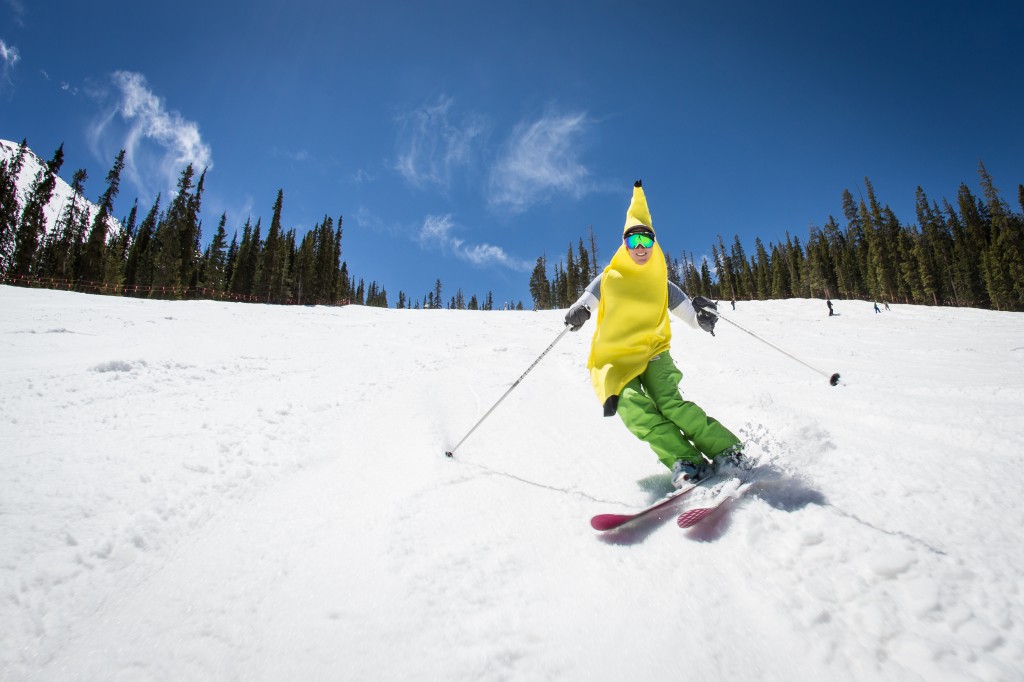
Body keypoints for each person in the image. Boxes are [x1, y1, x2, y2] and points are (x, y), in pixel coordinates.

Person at [564, 180, 743, 488]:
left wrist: (706, 319)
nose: (641, 249)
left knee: (669, 403)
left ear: (654, 244)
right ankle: (685, 459)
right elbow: (584, 305)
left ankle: (727, 450)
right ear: (625, 245)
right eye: (634, 242)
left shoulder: (662, 283)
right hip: (617, 358)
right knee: (632, 408)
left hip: (654, 352)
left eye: (647, 242)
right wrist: (577, 314)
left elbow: (691, 316)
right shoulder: (609, 279)